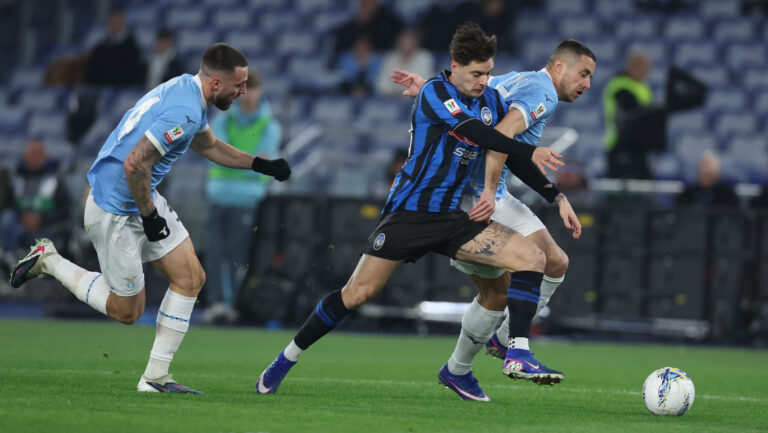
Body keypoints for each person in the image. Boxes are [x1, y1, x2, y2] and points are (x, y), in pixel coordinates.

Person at [255, 22, 567, 401]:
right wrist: (528, 148)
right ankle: (286, 359)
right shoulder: (436, 91)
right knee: (356, 294)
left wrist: (553, 193)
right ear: (454, 66)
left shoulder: (491, 102)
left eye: (488, 72)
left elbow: (506, 152)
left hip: (454, 219)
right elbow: (475, 132)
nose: (484, 81)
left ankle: (516, 351)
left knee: (533, 257)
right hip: (409, 214)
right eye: (476, 74)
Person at [9, 43, 291, 394]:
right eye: (239, 84)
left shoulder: (188, 89)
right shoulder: (185, 111)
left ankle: (155, 378)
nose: (244, 90)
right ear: (216, 84)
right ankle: (49, 260)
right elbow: (135, 164)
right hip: (114, 207)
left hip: (139, 195)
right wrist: (150, 216)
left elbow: (209, 146)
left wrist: (259, 165)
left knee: (190, 277)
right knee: (127, 311)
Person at [392, 39, 594, 400]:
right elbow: (500, 135)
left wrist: (426, 87)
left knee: (552, 264)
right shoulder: (542, 94)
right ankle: (501, 352)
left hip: (494, 192)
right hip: (473, 195)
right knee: (501, 289)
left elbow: (475, 96)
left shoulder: (522, 79)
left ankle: (493, 349)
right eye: (584, 73)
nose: (588, 84)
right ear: (560, 67)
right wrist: (487, 189)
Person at [203, 70, 281, 324]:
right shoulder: (223, 118)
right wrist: (252, 163)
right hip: (219, 195)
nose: (247, 93)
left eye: (252, 88)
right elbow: (217, 153)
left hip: (246, 199)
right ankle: (217, 304)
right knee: (215, 253)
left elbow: (263, 167)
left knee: (237, 255)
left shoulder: (270, 126)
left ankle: (228, 304)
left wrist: (234, 161)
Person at [1, 140, 70, 261]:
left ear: (44, 156)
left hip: (46, 229)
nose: (34, 158)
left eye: (38, 154)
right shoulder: (16, 180)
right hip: (20, 228)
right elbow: (8, 206)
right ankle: (9, 263)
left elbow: (64, 210)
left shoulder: (56, 180)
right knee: (7, 218)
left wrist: (41, 219)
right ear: (25, 156)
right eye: (31, 154)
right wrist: (24, 217)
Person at [603, 49, 654, 179]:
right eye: (645, 67)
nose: (648, 71)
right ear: (633, 66)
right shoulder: (620, 84)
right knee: (622, 193)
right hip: (621, 145)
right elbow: (632, 113)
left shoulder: (642, 86)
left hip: (638, 146)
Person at [85, 9, 144, 87]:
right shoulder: (101, 47)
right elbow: (92, 71)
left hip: (122, 90)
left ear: (123, 22)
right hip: (101, 90)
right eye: (112, 22)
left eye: (117, 21)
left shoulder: (131, 47)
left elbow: (133, 73)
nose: (114, 25)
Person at [374, 29, 435, 97]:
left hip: (416, 99)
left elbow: (424, 84)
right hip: (391, 99)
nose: (406, 45)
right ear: (397, 43)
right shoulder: (390, 57)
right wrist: (394, 93)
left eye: (409, 42)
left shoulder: (424, 57)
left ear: (416, 43)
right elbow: (381, 84)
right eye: (403, 42)